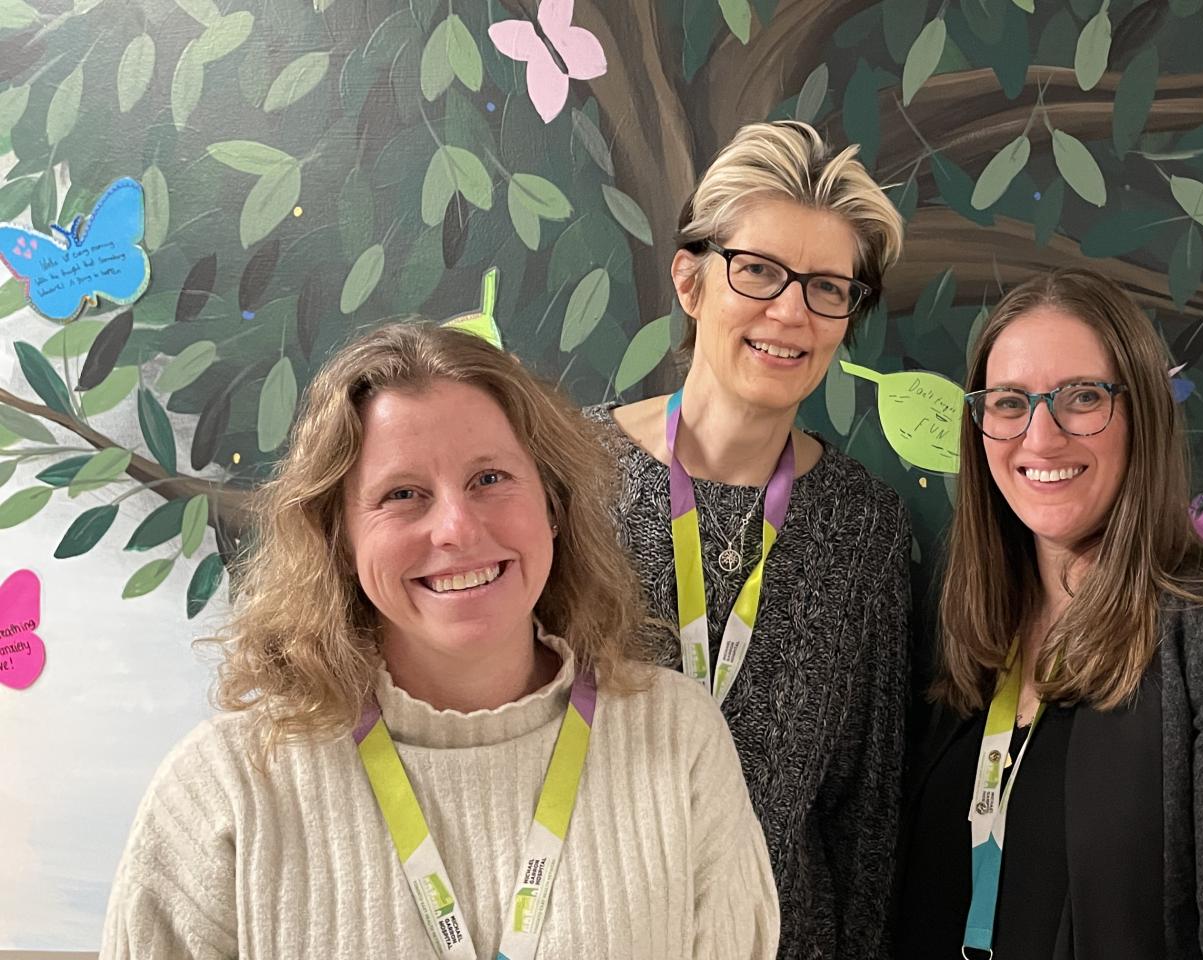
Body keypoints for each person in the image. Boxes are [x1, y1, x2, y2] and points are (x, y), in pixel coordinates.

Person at [102, 324, 777, 959]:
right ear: (339, 538)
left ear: (552, 502)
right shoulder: (225, 792)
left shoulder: (680, 740)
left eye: (489, 478)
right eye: (402, 494)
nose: (455, 528)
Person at [896, 268, 1203, 960]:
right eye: (1009, 402)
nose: (1040, 438)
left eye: (1081, 397)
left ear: (1142, 416)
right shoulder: (964, 625)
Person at [585, 120, 911, 960]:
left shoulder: (862, 528)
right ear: (691, 282)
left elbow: (866, 818)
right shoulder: (566, 477)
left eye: (828, 288)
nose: (791, 312)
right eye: (759, 271)